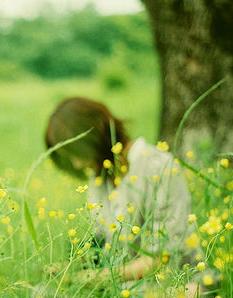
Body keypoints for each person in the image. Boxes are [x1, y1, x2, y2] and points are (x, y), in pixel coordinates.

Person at [46, 97, 195, 294]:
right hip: (123, 283)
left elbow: (162, 259)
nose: (77, 165)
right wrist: (69, 267)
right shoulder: (100, 178)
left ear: (94, 138)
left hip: (173, 282)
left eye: (77, 153)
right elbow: (101, 246)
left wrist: (90, 279)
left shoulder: (158, 166)